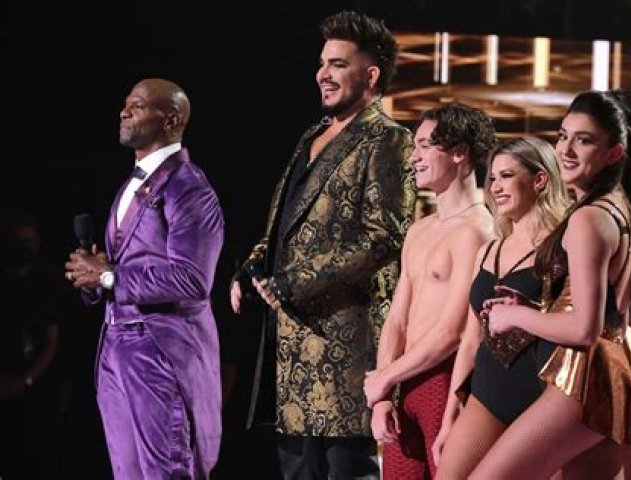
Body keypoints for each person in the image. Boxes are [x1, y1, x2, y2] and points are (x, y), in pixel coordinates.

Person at [229, 10, 416, 479]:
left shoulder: (389, 140)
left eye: (337, 64)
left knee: (346, 469)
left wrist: (292, 283)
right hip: (292, 352)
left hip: (345, 351)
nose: (323, 74)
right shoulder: (311, 136)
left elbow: (385, 237)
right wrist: (252, 268)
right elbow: (284, 226)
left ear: (370, 76)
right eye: (322, 63)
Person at [473, 89, 631, 479]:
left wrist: (515, 317)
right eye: (563, 136)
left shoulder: (588, 219)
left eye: (584, 140)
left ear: (614, 153)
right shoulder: (620, 209)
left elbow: (584, 328)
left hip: (583, 377)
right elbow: (614, 319)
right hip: (610, 371)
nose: (566, 149)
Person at [64, 78, 224, 479]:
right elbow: (120, 268)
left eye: (137, 105)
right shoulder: (130, 185)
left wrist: (109, 276)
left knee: (166, 470)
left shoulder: (189, 186)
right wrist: (92, 275)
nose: (124, 112)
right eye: (125, 104)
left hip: (159, 348)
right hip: (114, 346)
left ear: (170, 119)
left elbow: (192, 280)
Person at [361, 102, 496, 479]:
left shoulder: (477, 231)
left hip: (445, 381)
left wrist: (386, 378)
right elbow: (397, 319)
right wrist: (383, 393)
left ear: (459, 152)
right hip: (405, 382)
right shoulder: (419, 230)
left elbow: (454, 332)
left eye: (424, 146)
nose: (414, 157)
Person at [432, 137, 571, 479]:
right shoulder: (488, 250)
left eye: (506, 176)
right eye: (492, 178)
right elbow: (470, 340)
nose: (495, 187)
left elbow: (579, 326)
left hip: (542, 399)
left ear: (540, 179)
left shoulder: (565, 247)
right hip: (486, 395)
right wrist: (451, 414)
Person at [0, 212, 65, 479]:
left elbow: (53, 341)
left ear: (37, 243)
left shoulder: (47, 285)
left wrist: (26, 379)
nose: (21, 248)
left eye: (27, 242)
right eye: (16, 242)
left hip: (36, 392)